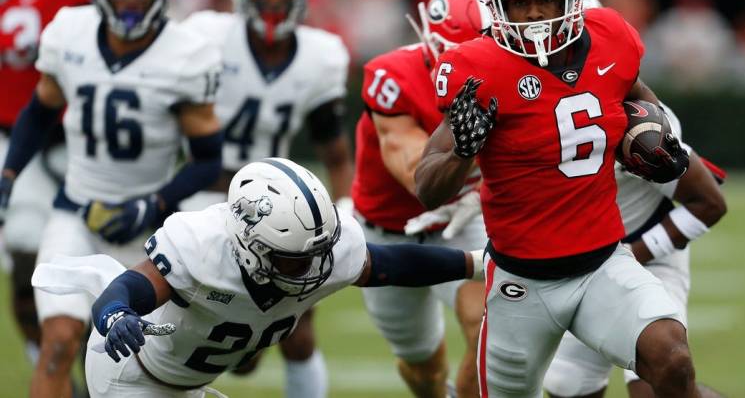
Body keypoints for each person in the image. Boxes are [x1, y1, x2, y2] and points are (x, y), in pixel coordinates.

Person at [414, 0, 697, 397]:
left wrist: (656, 137)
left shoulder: (611, 37)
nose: (533, 14)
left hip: (604, 265)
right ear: (497, 6)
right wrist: (462, 154)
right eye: (519, 3)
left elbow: (639, 99)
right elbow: (427, 188)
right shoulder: (475, 65)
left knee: (671, 356)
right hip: (520, 283)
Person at [31, 158, 485, 397]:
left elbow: (388, 265)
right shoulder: (201, 245)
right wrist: (115, 315)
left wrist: (475, 261)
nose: (312, 270)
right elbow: (130, 286)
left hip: (188, 384)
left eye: (317, 254)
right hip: (133, 377)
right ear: (251, 247)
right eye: (292, 260)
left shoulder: (322, 246)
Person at [0, 0, 224, 395]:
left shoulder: (187, 54)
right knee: (59, 343)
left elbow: (208, 160)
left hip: (147, 232)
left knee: (135, 369)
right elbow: (40, 111)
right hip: (74, 215)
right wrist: (9, 174)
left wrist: (153, 204)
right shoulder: (70, 32)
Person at [178, 0, 354, 396]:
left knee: (298, 325)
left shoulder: (320, 55)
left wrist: (348, 211)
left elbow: (335, 151)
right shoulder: (206, 36)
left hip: (278, 205)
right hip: (203, 194)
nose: (274, 1)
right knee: (204, 331)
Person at [541, 0, 728, 398]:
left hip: (643, 252)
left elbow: (709, 202)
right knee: (567, 387)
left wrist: (632, 253)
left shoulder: (636, 121)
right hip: (576, 264)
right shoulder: (520, 106)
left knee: (659, 383)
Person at [352, 0, 490, 398]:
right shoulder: (391, 77)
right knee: (424, 367)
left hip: (462, 219)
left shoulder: (519, 72)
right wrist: (470, 144)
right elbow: (420, 179)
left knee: (490, 327)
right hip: (389, 231)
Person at [0, 0, 91, 364]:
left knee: (98, 271)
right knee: (25, 274)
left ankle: (103, 371)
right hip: (10, 140)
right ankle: (51, 372)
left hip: (79, 140)